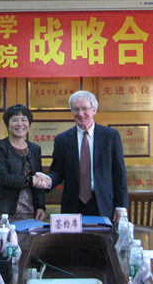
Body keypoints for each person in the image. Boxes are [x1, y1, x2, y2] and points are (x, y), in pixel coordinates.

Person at [47, 90, 128, 220]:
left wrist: (121, 206)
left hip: (103, 204)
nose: (80, 114)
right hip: (73, 205)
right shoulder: (62, 140)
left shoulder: (110, 136)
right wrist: (48, 181)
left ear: (94, 110)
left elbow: (119, 173)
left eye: (85, 109)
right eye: (76, 109)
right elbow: (57, 171)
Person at [0, 104, 50, 231]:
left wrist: (40, 206)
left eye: (24, 120)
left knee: (28, 242)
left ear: (29, 124)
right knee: (5, 242)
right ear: (7, 124)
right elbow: (1, 177)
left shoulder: (35, 149)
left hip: (29, 210)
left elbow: (38, 178)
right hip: (3, 210)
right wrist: (31, 180)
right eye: (15, 120)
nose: (20, 124)